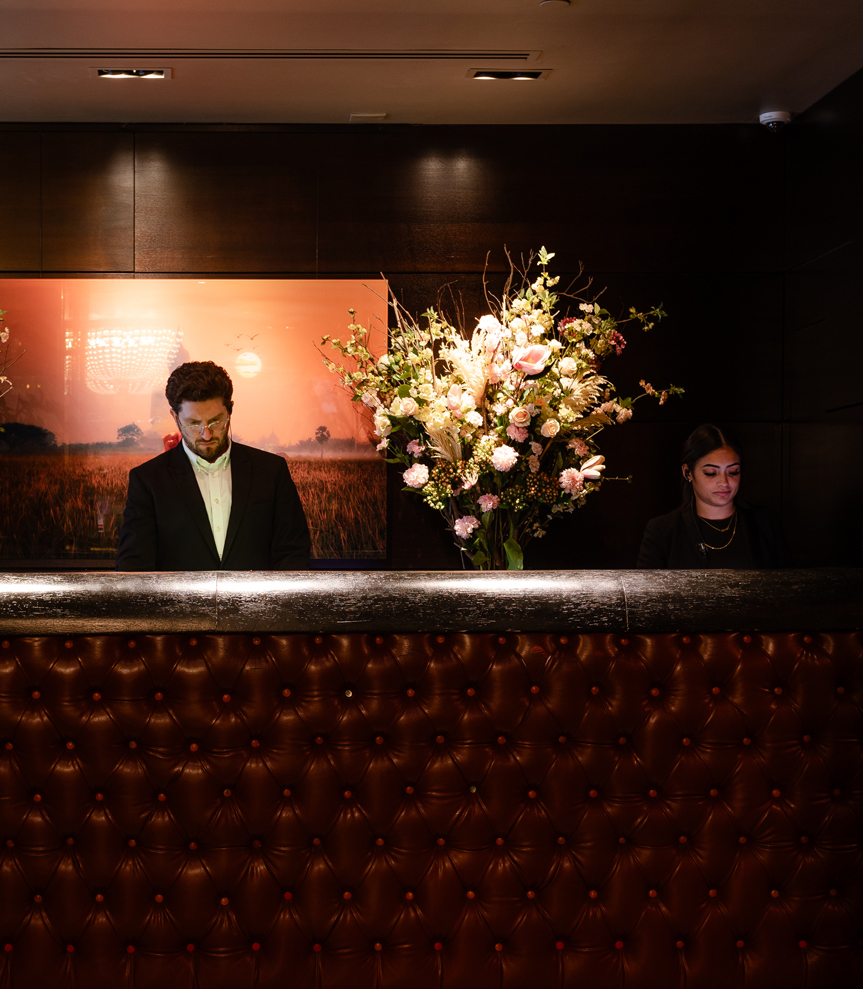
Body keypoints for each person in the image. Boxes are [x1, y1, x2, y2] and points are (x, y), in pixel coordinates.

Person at [116, 361, 310, 571]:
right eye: (193, 423)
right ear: (175, 418)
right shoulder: (147, 480)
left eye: (215, 421)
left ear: (230, 411)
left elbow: (292, 553)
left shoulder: (272, 471)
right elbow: (134, 568)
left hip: (258, 604)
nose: (206, 434)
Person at [637, 423, 788, 569]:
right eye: (711, 473)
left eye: (733, 472)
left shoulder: (765, 524)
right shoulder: (662, 531)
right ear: (687, 473)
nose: (724, 482)